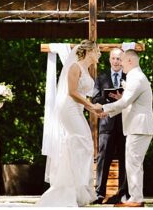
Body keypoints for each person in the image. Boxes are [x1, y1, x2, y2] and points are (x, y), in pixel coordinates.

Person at [37, 40, 102, 207]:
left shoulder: (87, 70)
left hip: (78, 109)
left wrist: (92, 109)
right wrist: (91, 106)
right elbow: (72, 92)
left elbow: (82, 96)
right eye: (97, 51)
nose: (99, 54)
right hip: (68, 108)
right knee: (83, 142)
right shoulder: (74, 66)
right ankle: (70, 189)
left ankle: (74, 187)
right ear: (89, 51)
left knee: (78, 145)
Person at [91, 49, 153, 207]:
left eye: (123, 61)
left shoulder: (136, 77)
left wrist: (104, 109)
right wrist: (109, 112)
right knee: (134, 164)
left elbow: (124, 103)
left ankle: (135, 199)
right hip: (137, 126)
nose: (120, 64)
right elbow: (127, 102)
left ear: (130, 62)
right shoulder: (135, 76)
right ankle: (134, 198)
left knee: (133, 163)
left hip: (138, 127)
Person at [92, 48, 129, 204]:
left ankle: (123, 193)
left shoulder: (129, 77)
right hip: (106, 124)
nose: (116, 61)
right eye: (113, 58)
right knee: (103, 159)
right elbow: (94, 99)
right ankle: (99, 193)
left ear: (123, 60)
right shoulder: (101, 77)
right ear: (109, 60)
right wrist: (108, 98)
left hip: (125, 123)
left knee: (124, 159)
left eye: (119, 59)